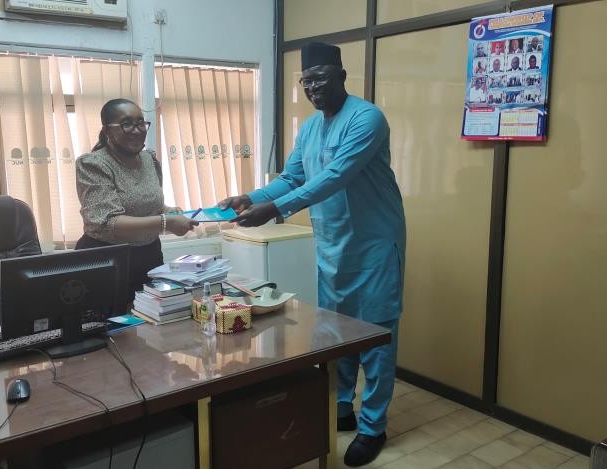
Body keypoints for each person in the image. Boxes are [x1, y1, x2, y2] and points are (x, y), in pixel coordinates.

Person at [218, 42, 405, 467]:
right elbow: (293, 176)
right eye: (307, 81)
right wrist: (251, 196)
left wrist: (278, 209)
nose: (313, 87)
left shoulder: (366, 118)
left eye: (321, 78)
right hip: (333, 245)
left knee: (375, 337)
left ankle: (374, 427)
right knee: (336, 332)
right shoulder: (309, 128)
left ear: (341, 75)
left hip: (374, 246)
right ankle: (341, 407)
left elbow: (338, 175)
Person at [75, 98, 198, 309]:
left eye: (141, 123)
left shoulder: (149, 160)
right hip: (106, 259)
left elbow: (150, 206)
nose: (137, 130)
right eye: (127, 124)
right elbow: (107, 223)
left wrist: (169, 212)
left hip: (148, 256)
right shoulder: (93, 164)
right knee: (111, 330)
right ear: (107, 130)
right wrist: (166, 222)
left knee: (151, 323)